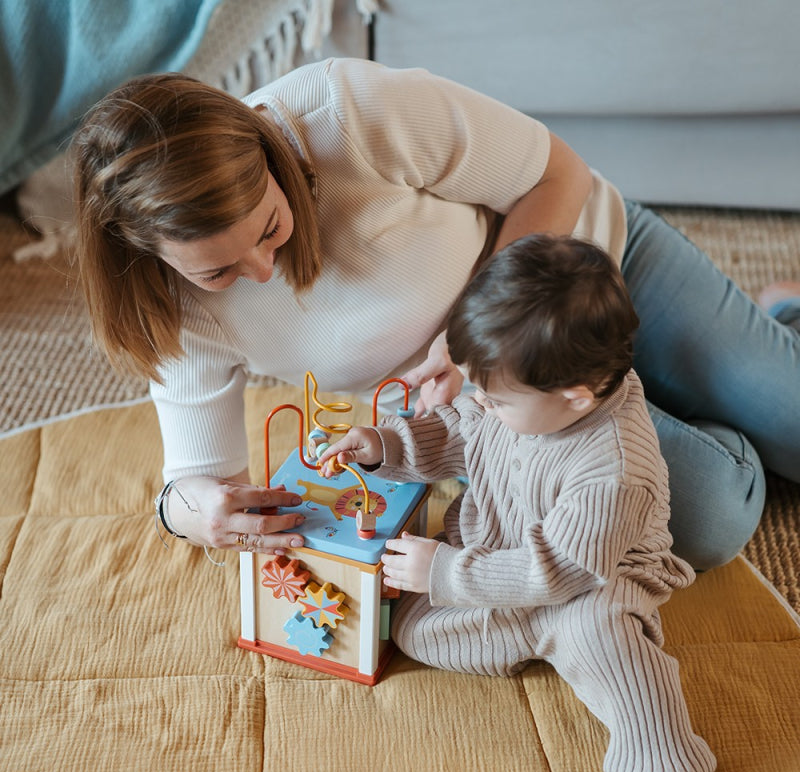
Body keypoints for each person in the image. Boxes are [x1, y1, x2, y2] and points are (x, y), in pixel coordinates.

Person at [71, 57, 800, 565]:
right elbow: (192, 486)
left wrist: (472, 331)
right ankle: (730, 380)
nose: (263, 271)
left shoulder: (346, 111)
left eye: (270, 228)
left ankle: (771, 332)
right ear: (146, 257)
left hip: (597, 264)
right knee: (712, 516)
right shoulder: (169, 312)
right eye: (219, 271)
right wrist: (200, 515)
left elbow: (557, 173)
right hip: (499, 404)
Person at [318, 234, 715, 772]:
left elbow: (561, 569)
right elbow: (457, 431)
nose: (479, 403)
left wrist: (449, 573)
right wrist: (384, 447)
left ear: (577, 397)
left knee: (597, 630)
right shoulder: (503, 398)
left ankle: (674, 764)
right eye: (477, 388)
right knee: (410, 631)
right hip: (502, 547)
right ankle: (528, 630)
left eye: (496, 400)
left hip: (591, 577)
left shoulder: (615, 473)